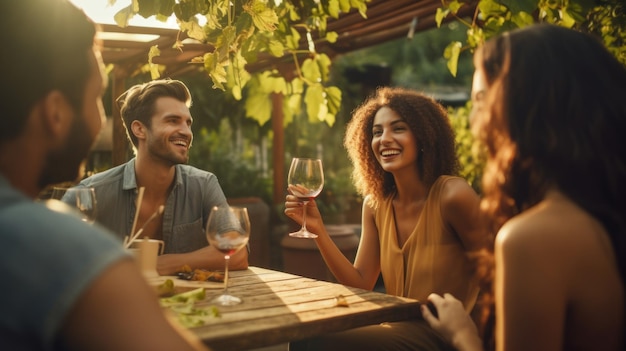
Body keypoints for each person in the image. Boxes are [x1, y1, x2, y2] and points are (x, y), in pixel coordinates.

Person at [0, 0, 211, 350]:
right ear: (55, 114)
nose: (100, 119)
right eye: (97, 97)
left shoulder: (202, 183)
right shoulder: (49, 243)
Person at [421, 24, 626, 351]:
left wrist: (463, 335)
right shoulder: (602, 214)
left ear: (524, 107)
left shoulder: (533, 237)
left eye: (480, 99)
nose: (473, 121)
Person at [284, 87, 488, 350]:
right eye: (377, 132)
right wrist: (317, 230)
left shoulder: (452, 195)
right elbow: (361, 283)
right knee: (306, 327)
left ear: (424, 136)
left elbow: (495, 275)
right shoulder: (375, 205)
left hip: (446, 335)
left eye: (398, 128)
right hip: (393, 328)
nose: (385, 139)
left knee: (310, 338)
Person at [69, 79, 248, 275]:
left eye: (188, 123)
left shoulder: (203, 185)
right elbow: (55, 260)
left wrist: (168, 263)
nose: (186, 132)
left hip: (190, 303)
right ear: (140, 129)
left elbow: (238, 252)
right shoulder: (90, 192)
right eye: (172, 120)